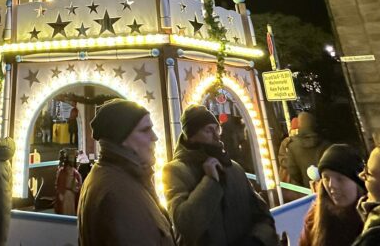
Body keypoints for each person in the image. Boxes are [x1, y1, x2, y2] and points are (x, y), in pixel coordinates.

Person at [163, 104, 277, 246]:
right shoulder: (176, 171)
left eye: (217, 129)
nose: (217, 136)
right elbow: (185, 226)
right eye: (208, 131)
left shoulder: (234, 168)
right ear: (191, 137)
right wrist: (210, 182)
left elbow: (263, 216)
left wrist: (256, 240)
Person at [77, 99, 174, 246]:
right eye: (145, 130)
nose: (154, 137)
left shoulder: (119, 178)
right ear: (121, 137)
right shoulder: (116, 192)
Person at [298, 144, 365, 246]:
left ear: (358, 182)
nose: (331, 185)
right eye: (326, 178)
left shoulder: (376, 216)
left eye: (340, 179)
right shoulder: (313, 219)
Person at [285, 112, 330, 186]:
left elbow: (293, 172)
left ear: (299, 126)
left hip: (308, 189)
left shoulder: (292, 147)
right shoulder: (325, 144)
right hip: (327, 185)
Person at [54, 150, 82, 215]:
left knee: (71, 211)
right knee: (64, 211)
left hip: (72, 195)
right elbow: (59, 183)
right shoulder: (62, 171)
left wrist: (76, 188)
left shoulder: (75, 173)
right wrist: (60, 193)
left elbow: (79, 184)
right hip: (65, 194)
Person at [277, 117, 299, 183]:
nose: (296, 132)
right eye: (295, 130)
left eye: (298, 130)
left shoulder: (303, 142)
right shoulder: (286, 142)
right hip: (287, 177)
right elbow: (282, 159)